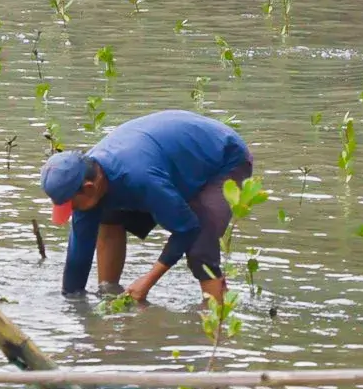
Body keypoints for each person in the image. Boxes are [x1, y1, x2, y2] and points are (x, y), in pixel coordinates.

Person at [41, 110, 255, 308]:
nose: (74, 211)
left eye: (72, 205)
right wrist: (72, 302)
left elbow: (187, 229)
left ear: (89, 188)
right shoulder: (86, 181)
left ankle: (215, 320)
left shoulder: (140, 177)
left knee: (200, 247)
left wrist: (146, 282)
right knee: (107, 215)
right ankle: (109, 293)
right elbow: (78, 256)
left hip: (223, 158)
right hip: (168, 160)